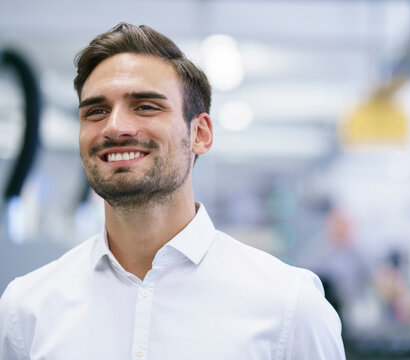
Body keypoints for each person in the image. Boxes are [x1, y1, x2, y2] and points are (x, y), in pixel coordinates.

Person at [0, 23, 345, 359]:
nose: (115, 126)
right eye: (96, 111)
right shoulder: (25, 310)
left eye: (146, 106)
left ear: (200, 134)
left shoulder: (290, 307)